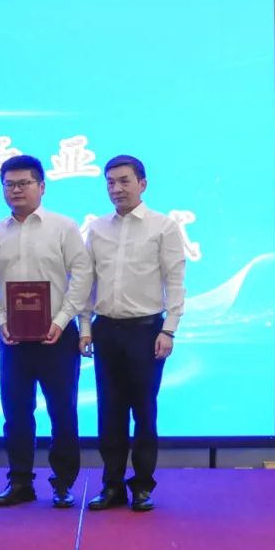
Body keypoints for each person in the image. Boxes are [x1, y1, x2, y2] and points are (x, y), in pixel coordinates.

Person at [0, 155, 92, 508]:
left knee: (63, 413)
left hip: (58, 336)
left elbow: (82, 275)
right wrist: (0, 320)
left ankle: (63, 483)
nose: (16, 190)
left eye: (24, 183)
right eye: (9, 184)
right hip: (13, 339)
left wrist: (62, 320)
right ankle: (20, 482)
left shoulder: (64, 227)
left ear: (41, 186)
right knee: (16, 415)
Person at [80, 155, 186, 512]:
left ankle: (142, 486)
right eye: (110, 182)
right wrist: (84, 327)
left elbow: (175, 280)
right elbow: (87, 281)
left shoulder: (163, 226)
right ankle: (111, 486)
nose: (116, 188)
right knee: (109, 412)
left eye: (124, 181)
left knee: (143, 411)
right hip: (106, 329)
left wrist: (169, 329)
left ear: (142, 183)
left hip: (146, 330)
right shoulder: (97, 227)